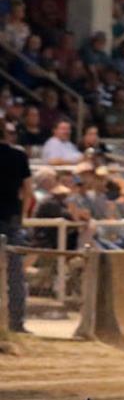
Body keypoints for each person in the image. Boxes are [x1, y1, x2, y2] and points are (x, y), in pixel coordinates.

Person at [0, 131, 32, 333]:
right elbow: (28, 190)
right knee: (15, 273)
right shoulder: (18, 156)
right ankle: (16, 322)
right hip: (11, 219)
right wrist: (22, 216)